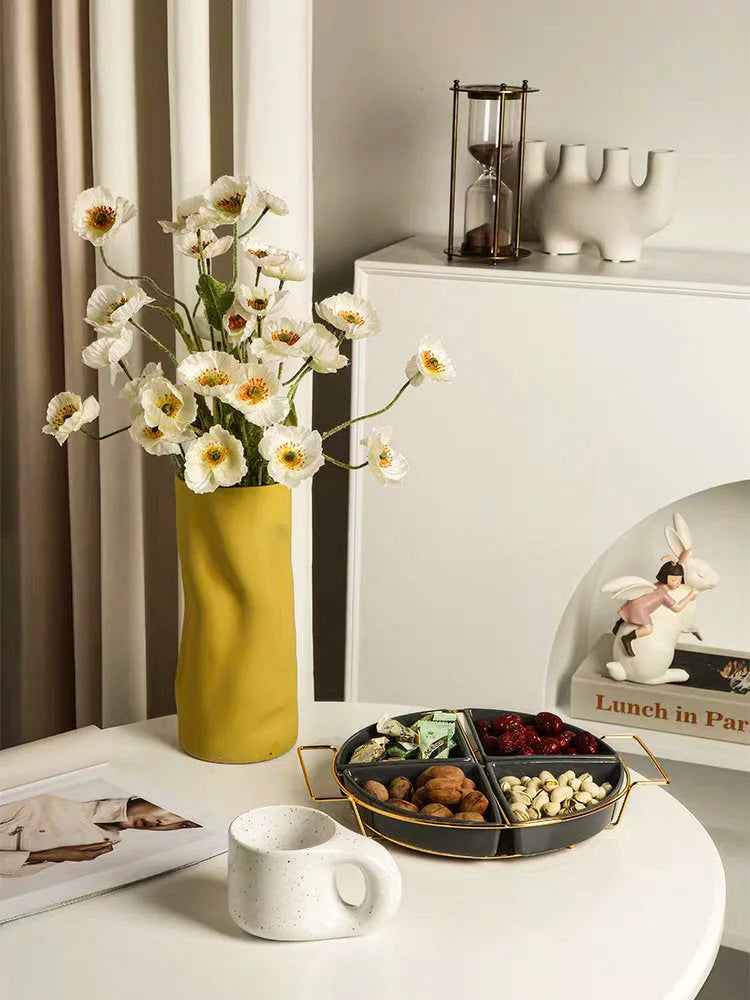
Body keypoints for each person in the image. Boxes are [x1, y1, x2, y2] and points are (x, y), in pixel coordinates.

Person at [0, 793, 200, 877]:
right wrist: (52, 854)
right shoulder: (47, 802)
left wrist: (53, 856)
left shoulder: (99, 846)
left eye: (183, 825)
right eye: (173, 811)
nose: (164, 823)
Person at [614, 561, 697, 657]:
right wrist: (690, 597)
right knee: (648, 629)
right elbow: (677, 608)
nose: (677, 583)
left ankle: (619, 623)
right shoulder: (664, 594)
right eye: (673, 580)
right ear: (665, 577)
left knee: (629, 610)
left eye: (679, 580)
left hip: (634, 602)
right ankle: (628, 638)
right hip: (641, 609)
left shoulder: (656, 584)